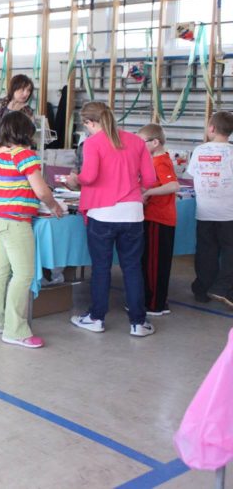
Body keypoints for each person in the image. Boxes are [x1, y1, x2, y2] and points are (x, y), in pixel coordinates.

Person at [65, 102, 157, 337]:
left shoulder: (92, 143)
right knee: (132, 268)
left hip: (101, 213)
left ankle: (96, 318)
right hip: (132, 213)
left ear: (89, 122)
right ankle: (138, 322)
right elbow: (150, 179)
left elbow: (89, 176)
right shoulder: (137, 141)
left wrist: (75, 179)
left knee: (101, 268)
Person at [0, 113, 64, 349]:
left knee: (0, 271)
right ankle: (15, 330)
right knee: (23, 275)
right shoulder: (24, 155)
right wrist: (54, 205)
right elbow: (41, 191)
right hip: (16, 221)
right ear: (24, 133)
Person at [187, 110, 233, 307]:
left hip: (205, 211)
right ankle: (223, 287)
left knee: (206, 251)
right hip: (229, 212)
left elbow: (191, 175)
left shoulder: (199, 150)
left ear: (212, 128)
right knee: (229, 251)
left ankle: (202, 289)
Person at [137, 123, 180, 316]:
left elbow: (173, 185)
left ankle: (154, 304)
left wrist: (148, 193)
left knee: (154, 263)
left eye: (142, 142)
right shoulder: (155, 160)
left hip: (158, 219)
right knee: (152, 262)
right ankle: (156, 299)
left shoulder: (161, 161)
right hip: (155, 217)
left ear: (155, 142)